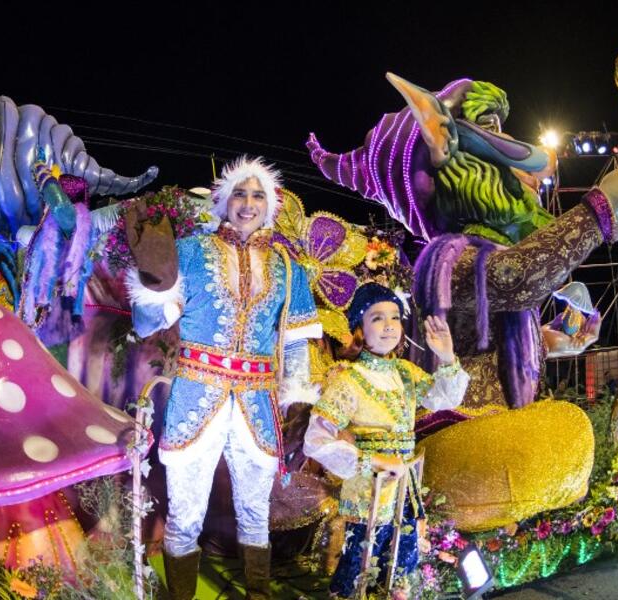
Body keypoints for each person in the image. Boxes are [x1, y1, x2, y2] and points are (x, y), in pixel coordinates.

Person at [127, 156, 321, 600]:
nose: (248, 203)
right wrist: (154, 282)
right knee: (185, 514)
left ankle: (258, 592)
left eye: (258, 196)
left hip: (257, 404)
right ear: (224, 200)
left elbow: (293, 342)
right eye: (239, 193)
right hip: (197, 395)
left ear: (269, 206)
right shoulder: (192, 252)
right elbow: (145, 324)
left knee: (255, 510)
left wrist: (297, 401)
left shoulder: (289, 268)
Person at [303, 283, 468, 598]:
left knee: (403, 562)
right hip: (369, 493)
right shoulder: (348, 381)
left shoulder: (405, 372)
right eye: (377, 317)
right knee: (360, 562)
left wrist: (447, 358)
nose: (389, 325)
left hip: (405, 490)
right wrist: (374, 461)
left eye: (395, 316)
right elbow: (316, 440)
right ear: (360, 329)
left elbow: (443, 398)